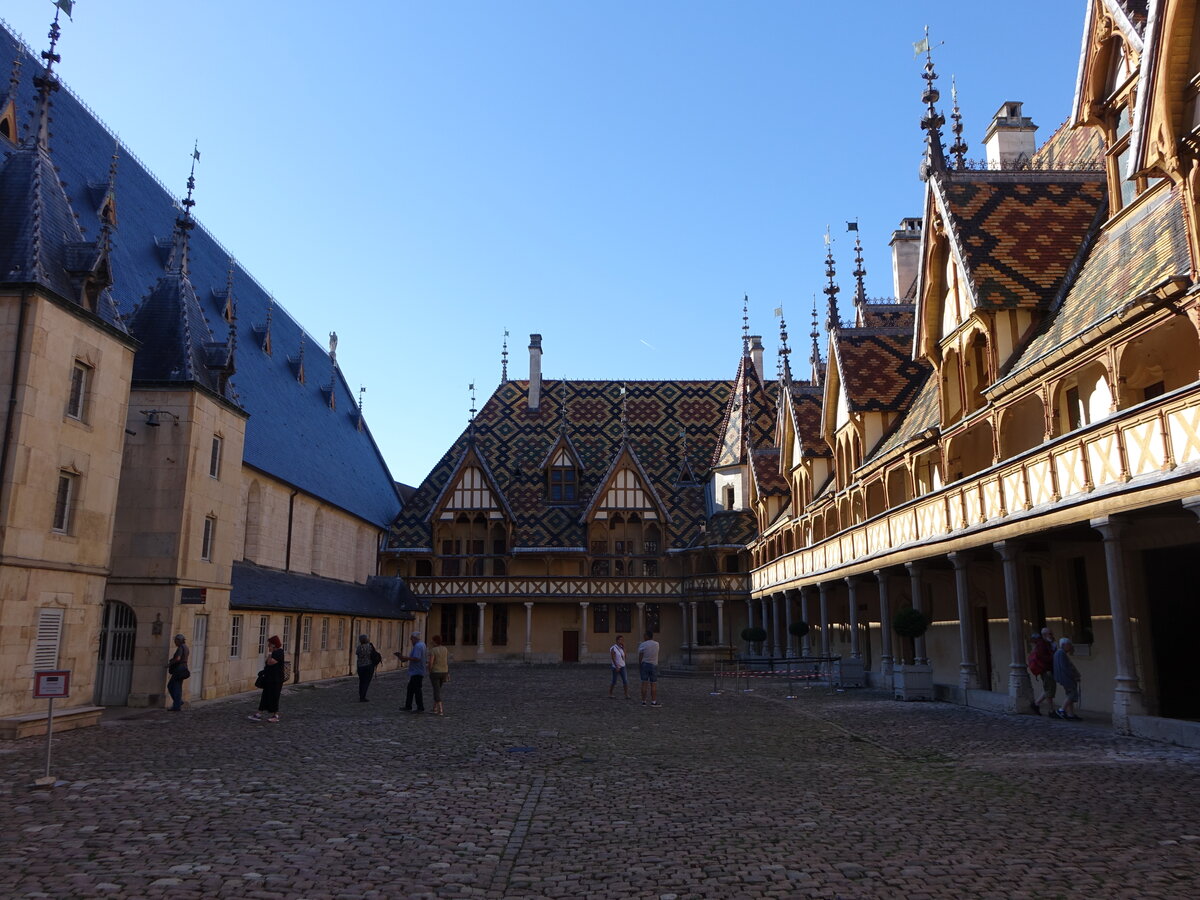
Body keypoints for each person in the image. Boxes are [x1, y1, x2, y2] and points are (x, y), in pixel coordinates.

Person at [249, 635, 285, 723]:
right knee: (265, 696)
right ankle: (258, 714)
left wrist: (269, 656)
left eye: (269, 645)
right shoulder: (273, 653)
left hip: (276, 680)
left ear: (273, 645)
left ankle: (275, 715)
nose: (268, 647)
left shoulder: (279, 652)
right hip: (269, 679)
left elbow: (270, 662)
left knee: (274, 697)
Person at [1028, 627, 1056, 715]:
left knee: (1048, 689)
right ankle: (1050, 710)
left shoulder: (1047, 643)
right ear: (1044, 635)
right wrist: (1053, 656)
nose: (1052, 636)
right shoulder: (1042, 645)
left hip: (1047, 669)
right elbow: (1043, 658)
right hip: (1046, 670)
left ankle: (1037, 704)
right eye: (1050, 634)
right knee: (1049, 690)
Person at [397, 632, 427, 713]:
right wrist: (403, 658)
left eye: (411, 639)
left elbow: (417, 658)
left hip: (417, 671)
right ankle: (408, 705)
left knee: (416, 689)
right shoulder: (422, 644)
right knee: (411, 689)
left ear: (414, 638)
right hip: (418, 671)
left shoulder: (417, 646)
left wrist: (405, 657)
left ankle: (419, 707)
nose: (411, 641)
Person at [1053, 637, 1082, 720]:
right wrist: (1074, 676)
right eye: (1069, 645)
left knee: (1069, 695)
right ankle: (1061, 710)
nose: (1070, 646)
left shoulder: (1059, 653)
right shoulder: (1061, 653)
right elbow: (1065, 668)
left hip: (1065, 678)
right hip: (1067, 678)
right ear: (1064, 645)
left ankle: (1070, 714)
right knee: (1071, 694)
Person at [166, 633, 190, 711]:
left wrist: (170, 664)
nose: (175, 642)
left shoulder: (180, 648)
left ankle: (177, 703)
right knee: (178, 687)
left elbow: (178, 658)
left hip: (179, 669)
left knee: (171, 686)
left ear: (179, 641)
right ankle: (178, 703)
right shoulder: (186, 647)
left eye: (176, 641)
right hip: (184, 668)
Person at [428, 634, 450, 716]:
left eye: (432, 640)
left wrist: (429, 670)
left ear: (435, 641)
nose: (431, 642)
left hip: (435, 672)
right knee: (438, 689)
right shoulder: (445, 649)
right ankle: (434, 707)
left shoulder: (433, 650)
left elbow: (431, 662)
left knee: (436, 690)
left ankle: (440, 709)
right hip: (444, 671)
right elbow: (446, 661)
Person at [638, 630, 660, 707]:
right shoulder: (657, 644)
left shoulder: (642, 644)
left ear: (647, 636)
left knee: (644, 683)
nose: (643, 637)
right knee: (653, 684)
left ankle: (643, 701)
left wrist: (639, 664)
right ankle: (653, 702)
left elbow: (640, 655)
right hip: (654, 665)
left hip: (644, 664)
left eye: (644, 635)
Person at [355, 634, 381, 702]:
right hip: (369, 666)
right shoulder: (370, 646)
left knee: (361, 681)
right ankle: (363, 697)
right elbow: (373, 654)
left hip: (360, 666)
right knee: (366, 682)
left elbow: (357, 653)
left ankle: (361, 695)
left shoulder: (359, 647)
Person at [608, 634, 629, 699]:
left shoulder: (622, 648)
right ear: (617, 640)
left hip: (623, 666)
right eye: (620, 639)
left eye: (622, 640)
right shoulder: (613, 648)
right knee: (614, 681)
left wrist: (624, 648)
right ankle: (610, 693)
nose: (621, 641)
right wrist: (616, 666)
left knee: (625, 680)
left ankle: (626, 694)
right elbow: (613, 658)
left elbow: (625, 656)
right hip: (616, 667)